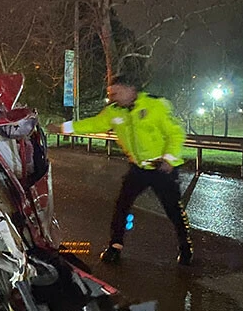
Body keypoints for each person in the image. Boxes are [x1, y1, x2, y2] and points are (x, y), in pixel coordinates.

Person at [48, 73, 193, 265]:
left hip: (161, 169)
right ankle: (115, 246)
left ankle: (186, 248)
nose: (112, 97)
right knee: (122, 205)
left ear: (130, 89)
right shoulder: (114, 111)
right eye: (110, 94)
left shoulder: (155, 106)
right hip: (138, 168)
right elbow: (92, 123)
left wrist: (169, 159)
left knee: (174, 210)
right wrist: (63, 128)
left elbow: (176, 133)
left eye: (116, 93)